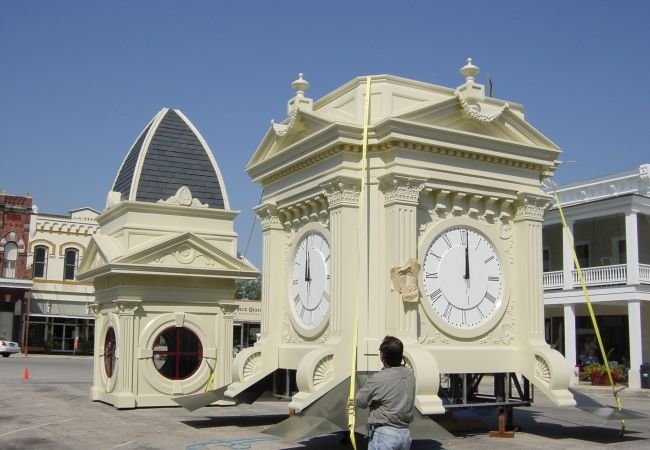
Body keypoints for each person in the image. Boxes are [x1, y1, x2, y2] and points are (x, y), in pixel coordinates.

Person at [355, 335, 416, 450]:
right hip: (405, 434)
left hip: (385, 435)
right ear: (401, 355)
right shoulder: (410, 375)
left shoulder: (377, 379)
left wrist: (372, 403)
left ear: (382, 356)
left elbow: (360, 401)